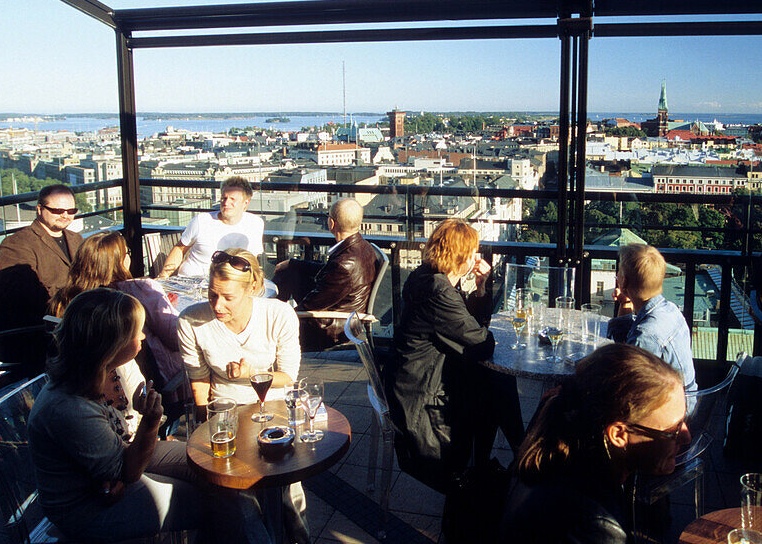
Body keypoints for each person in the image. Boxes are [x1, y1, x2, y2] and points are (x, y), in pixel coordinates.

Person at [28, 288, 271, 543]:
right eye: (135, 332)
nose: (143, 336)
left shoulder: (114, 367)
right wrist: (151, 423)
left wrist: (121, 466)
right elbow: (127, 471)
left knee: (224, 472)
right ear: (112, 344)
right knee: (214, 500)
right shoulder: (69, 407)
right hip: (87, 507)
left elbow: (122, 442)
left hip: (122, 455)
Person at [500, 344, 690, 544]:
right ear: (618, 435)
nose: (687, 437)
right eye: (673, 430)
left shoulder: (562, 444)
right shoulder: (596, 527)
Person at [177, 248, 305, 543]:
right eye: (211, 295)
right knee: (239, 493)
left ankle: (298, 535)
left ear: (253, 290)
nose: (217, 305)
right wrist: (205, 427)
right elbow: (199, 381)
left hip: (272, 405)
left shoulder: (278, 314)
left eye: (228, 297)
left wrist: (253, 376)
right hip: (225, 411)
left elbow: (288, 376)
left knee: (284, 489)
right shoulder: (191, 321)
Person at [384, 218, 518, 493]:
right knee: (497, 382)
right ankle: (517, 456)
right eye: (472, 253)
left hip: (416, 380)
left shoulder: (426, 276)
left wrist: (479, 288)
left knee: (494, 383)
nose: (476, 257)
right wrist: (488, 328)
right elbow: (481, 342)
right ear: (462, 257)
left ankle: (491, 463)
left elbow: (464, 326)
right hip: (421, 397)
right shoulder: (438, 291)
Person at [52, 231, 182, 387]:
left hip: (87, 384)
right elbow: (177, 338)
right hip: (155, 385)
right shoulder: (139, 290)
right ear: (120, 261)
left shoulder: (67, 300)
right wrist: (164, 306)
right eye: (127, 252)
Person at [0, 183, 82, 372]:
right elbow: (26, 299)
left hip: (72, 321)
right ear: (39, 209)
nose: (65, 215)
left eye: (71, 210)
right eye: (57, 210)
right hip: (40, 332)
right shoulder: (17, 244)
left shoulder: (76, 239)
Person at [272, 198, 379, 350]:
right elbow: (329, 271)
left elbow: (310, 305)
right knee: (288, 271)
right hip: (339, 314)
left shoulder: (345, 264)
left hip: (327, 328)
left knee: (275, 319)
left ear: (332, 223)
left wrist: (282, 317)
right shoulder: (362, 247)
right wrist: (292, 264)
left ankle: (269, 325)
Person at [609, 244, 697, 395]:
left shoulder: (646, 335)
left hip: (671, 407)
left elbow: (628, 386)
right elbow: (625, 344)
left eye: (619, 272)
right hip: (685, 396)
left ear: (623, 282)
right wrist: (625, 302)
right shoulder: (670, 309)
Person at [160, 176, 265, 278]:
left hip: (229, 283)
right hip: (192, 280)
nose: (226, 203)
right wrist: (163, 276)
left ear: (245, 203)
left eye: (232, 199)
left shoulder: (255, 224)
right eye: (224, 198)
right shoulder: (201, 221)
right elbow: (180, 248)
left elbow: (252, 259)